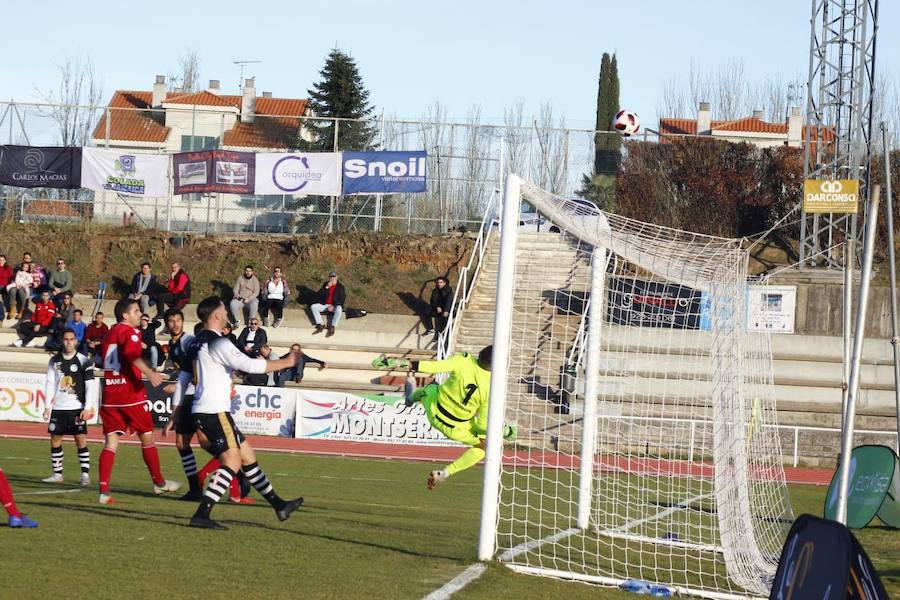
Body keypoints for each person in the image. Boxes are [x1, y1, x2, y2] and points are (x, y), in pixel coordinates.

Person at [188, 296, 303, 529]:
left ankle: (279, 505)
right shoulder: (219, 343)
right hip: (213, 409)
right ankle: (202, 513)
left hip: (206, 407)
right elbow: (251, 366)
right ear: (217, 315)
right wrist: (286, 362)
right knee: (232, 461)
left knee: (248, 457)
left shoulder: (197, 340)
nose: (228, 312)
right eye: (224, 308)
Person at [372, 345, 517, 489]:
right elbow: (481, 425)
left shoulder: (463, 361)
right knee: (487, 447)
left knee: (432, 387)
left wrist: (402, 363)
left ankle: (410, 397)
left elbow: (433, 367)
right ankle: (444, 473)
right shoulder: (492, 387)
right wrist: (505, 431)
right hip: (456, 428)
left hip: (435, 408)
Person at [97, 298, 181, 505]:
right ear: (125, 315)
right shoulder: (131, 332)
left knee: (111, 443)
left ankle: (104, 491)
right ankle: (159, 483)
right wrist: (150, 372)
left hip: (109, 394)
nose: (139, 315)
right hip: (130, 394)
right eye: (135, 311)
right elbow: (131, 354)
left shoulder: (109, 333)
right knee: (147, 437)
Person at [41, 329, 99, 485]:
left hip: (76, 407)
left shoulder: (83, 360)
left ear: (76, 341)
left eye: (71, 339)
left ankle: (85, 475)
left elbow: (90, 385)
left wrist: (87, 407)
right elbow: (50, 383)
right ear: (62, 340)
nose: (68, 342)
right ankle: (57, 474)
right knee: (55, 440)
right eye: (65, 339)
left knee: (80, 440)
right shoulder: (54, 361)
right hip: (58, 408)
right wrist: (47, 407)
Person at [310, 271, 345, 337]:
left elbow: (342, 299)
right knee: (313, 307)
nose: (332, 278)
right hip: (325, 305)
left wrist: (333, 306)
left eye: (333, 277)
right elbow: (319, 295)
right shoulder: (326, 284)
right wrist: (326, 287)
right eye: (330, 277)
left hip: (335, 306)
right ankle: (320, 324)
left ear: (337, 277)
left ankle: (332, 326)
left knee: (339, 309)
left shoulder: (340, 287)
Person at [0, 255, 13, 321]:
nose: (1, 261)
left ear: (5, 261)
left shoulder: (8, 268)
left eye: (2, 260)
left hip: (5, 286)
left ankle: (8, 310)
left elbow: (11, 278)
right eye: (0, 259)